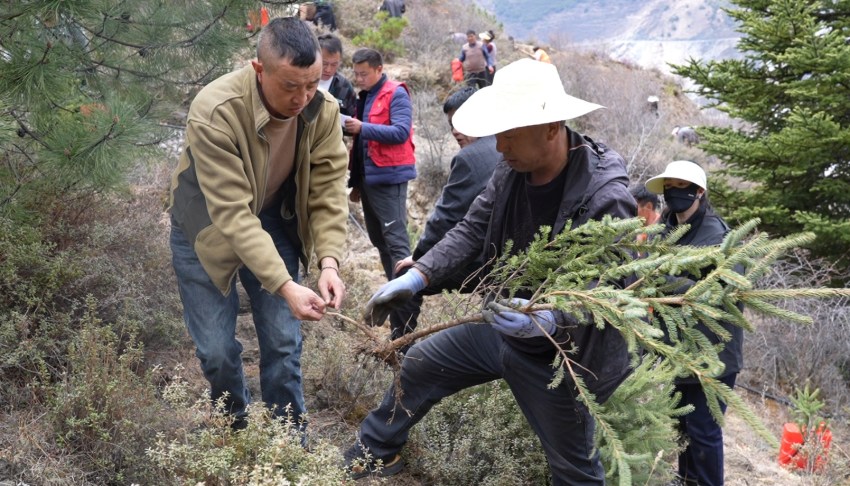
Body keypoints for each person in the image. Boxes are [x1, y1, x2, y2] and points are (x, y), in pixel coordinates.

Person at [344, 58, 636, 484]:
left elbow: (607, 288)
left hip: (562, 355)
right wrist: (417, 276)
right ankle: (376, 452)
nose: (500, 147)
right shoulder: (512, 168)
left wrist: (551, 318)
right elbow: (471, 229)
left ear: (552, 127)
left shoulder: (605, 195)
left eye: (510, 136)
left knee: (574, 469)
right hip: (499, 325)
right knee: (421, 364)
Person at [168, 17, 348, 432]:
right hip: (205, 226)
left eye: (312, 83)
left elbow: (327, 193)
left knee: (284, 342)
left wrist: (329, 264)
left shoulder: (323, 111)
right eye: (290, 86)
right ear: (258, 70)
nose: (303, 97)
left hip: (272, 221)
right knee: (216, 351)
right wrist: (286, 286)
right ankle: (236, 432)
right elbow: (231, 212)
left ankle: (288, 441)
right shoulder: (215, 110)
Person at [644, 160, 744, 486]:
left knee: (704, 429)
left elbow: (722, 290)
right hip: (677, 350)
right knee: (681, 424)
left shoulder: (719, 236)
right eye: (668, 187)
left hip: (713, 354)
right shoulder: (665, 228)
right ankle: (685, 479)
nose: (673, 193)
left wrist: (669, 282)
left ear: (699, 192)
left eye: (680, 187)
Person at [387, 86, 500, 348]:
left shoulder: (471, 158)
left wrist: (418, 260)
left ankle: (398, 350)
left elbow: (444, 219)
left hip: (483, 261)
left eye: (461, 122)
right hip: (510, 258)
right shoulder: (507, 144)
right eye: (451, 125)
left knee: (404, 278)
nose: (455, 131)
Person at [346, 48, 416, 338]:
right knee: (381, 243)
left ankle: (407, 324)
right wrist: (358, 184)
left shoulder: (395, 93)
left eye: (363, 73)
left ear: (378, 69)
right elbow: (363, 148)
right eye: (356, 73)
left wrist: (363, 128)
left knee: (397, 248)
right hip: (371, 181)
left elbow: (401, 132)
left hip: (390, 180)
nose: (359, 78)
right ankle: (396, 309)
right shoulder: (365, 96)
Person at [317, 34, 356, 119]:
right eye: (324, 63)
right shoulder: (303, 80)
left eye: (334, 64)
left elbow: (351, 116)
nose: (328, 69)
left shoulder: (344, 86)